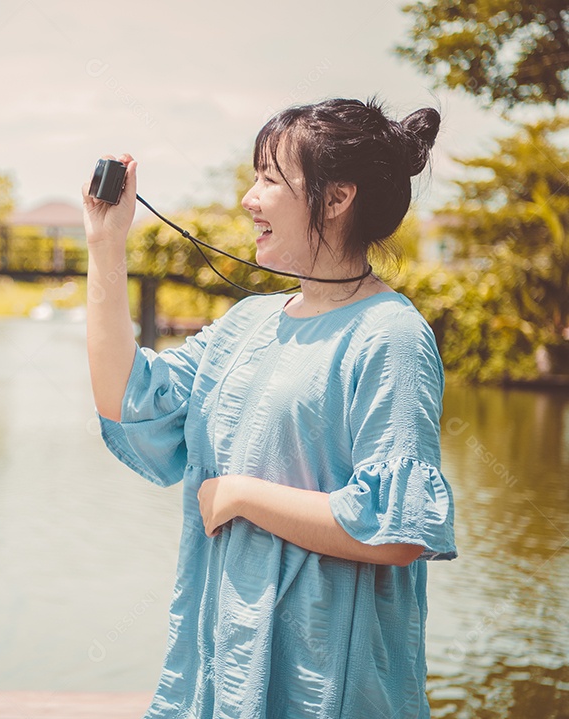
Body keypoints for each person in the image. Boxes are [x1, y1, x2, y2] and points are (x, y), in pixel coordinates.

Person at [83, 97, 457, 719]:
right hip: (220, 671)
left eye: (268, 179)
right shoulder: (248, 322)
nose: (248, 200)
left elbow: (397, 533)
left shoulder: (390, 335)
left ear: (336, 198)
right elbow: (128, 400)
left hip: (328, 688)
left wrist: (240, 495)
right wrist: (105, 243)